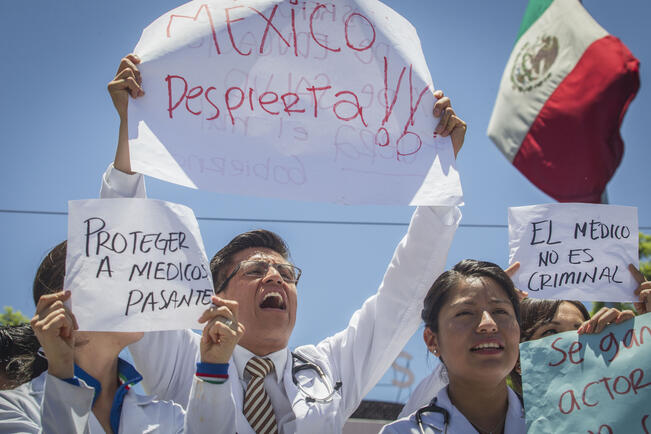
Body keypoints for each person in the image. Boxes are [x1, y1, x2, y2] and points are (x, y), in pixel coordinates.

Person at [101, 54, 466, 433]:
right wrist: (132, 128)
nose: (275, 278)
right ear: (216, 296)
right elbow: (130, 260)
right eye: (256, 270)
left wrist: (441, 174)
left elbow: (402, 297)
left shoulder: (329, 368)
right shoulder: (180, 358)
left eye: (286, 273)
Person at [1, 240, 242, 433]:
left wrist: (213, 369)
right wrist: (62, 374)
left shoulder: (169, 417)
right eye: (112, 276)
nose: (134, 291)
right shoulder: (10, 408)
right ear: (60, 303)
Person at [398, 262, 645, 418]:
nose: (572, 344)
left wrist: (644, 342)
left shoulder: (626, 415)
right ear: (519, 355)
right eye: (550, 334)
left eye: (584, 331)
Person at [381, 259, 526, 434]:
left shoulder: (558, 424)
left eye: (501, 311)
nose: (489, 324)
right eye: (465, 313)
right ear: (432, 340)